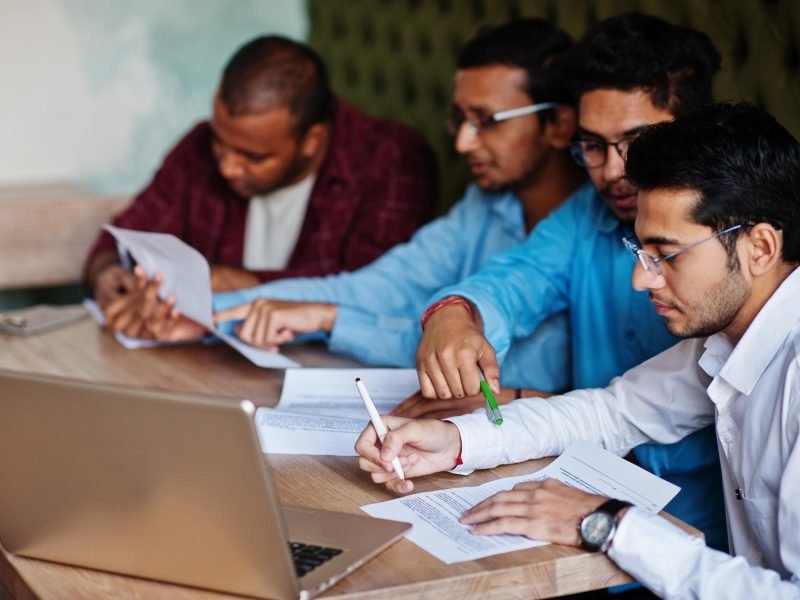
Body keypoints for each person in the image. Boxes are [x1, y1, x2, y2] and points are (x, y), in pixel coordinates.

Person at [357, 102, 800, 599]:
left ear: (759, 248)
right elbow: (610, 413)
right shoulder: (725, 341)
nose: (640, 279)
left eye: (666, 255)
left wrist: (606, 523)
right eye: (640, 253)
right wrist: (454, 440)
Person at [412, 13, 727, 550]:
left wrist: (524, 400)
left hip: (698, 537)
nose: (611, 171)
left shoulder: (734, 241)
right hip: (579, 511)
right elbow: (514, 280)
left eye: (637, 142)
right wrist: (454, 313)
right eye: (594, 146)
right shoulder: (584, 214)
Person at [139, 19, 587, 394]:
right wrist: (206, 312)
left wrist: (330, 320)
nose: (462, 141)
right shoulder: (483, 207)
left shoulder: (598, 228)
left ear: (559, 124)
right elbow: (373, 288)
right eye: (461, 119)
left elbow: (481, 362)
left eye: (486, 122)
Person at [83, 35, 437, 330]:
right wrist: (111, 276)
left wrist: (242, 284)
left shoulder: (391, 161)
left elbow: (377, 294)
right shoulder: (198, 147)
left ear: (312, 140)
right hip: (203, 367)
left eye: (252, 157)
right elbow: (118, 240)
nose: (227, 167)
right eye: (220, 143)